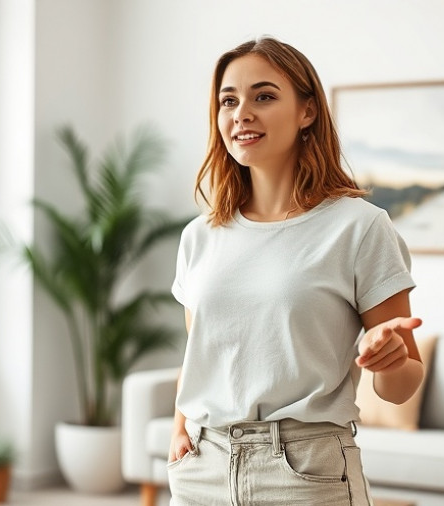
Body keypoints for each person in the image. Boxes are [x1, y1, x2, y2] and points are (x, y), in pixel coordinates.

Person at [168, 36, 424, 506]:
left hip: (304, 473)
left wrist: (388, 360)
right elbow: (197, 353)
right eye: (229, 100)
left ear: (307, 111)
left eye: (263, 96)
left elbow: (402, 386)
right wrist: (180, 431)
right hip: (202, 468)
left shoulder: (359, 227)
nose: (241, 112)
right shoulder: (199, 235)